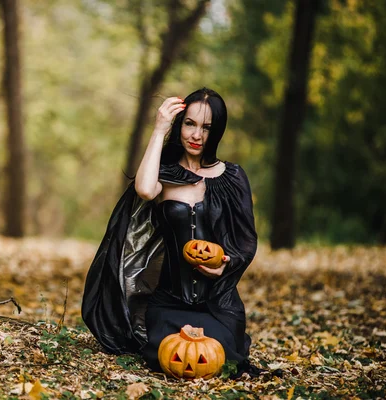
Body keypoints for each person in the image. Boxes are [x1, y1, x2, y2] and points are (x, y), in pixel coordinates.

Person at [81, 87, 262, 377]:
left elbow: (245, 241)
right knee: (166, 352)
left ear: (217, 132)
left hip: (217, 302)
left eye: (206, 128)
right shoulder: (165, 175)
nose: (196, 135)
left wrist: (225, 265)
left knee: (220, 358)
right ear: (180, 125)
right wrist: (158, 129)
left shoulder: (233, 177)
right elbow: (143, 189)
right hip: (168, 301)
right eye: (189, 124)